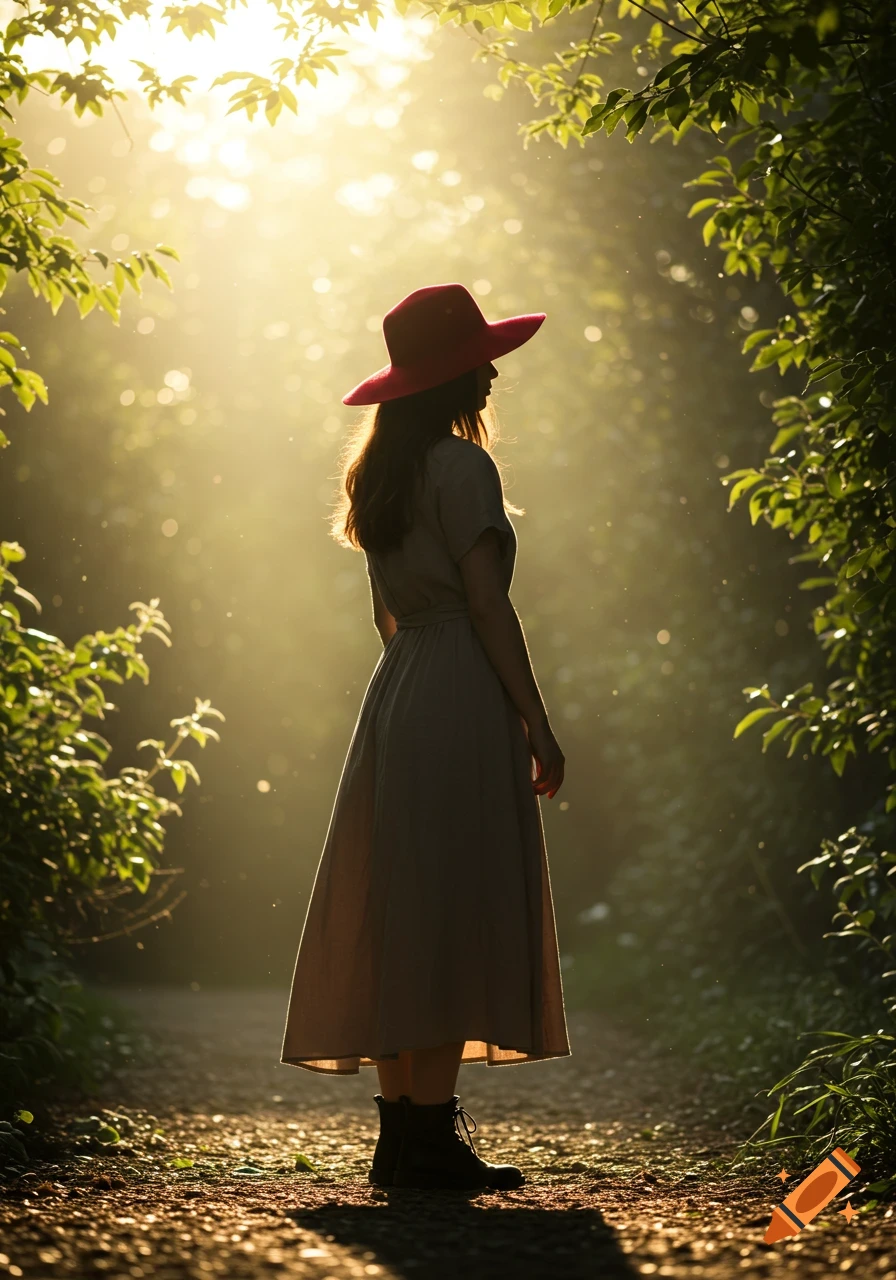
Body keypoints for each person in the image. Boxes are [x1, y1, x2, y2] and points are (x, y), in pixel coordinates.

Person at [280, 282, 570, 1192]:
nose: (490, 373)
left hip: (399, 691)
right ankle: (429, 1142)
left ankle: (402, 1138)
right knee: (450, 907)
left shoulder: (382, 476)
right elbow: (489, 604)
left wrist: (415, 690)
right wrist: (536, 718)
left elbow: (387, 617)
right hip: (456, 692)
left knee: (406, 904)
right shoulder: (463, 470)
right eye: (476, 360)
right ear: (446, 376)